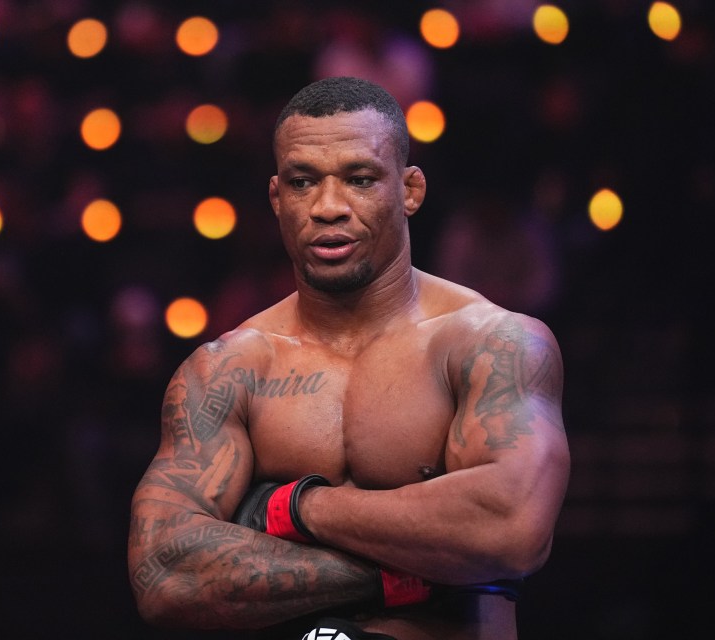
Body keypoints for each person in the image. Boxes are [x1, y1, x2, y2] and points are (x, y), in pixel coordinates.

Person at [127, 76, 570, 640]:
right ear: (276, 198)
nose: (328, 207)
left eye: (360, 180)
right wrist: (409, 577)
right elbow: (164, 571)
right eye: (303, 182)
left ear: (409, 190)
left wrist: (293, 509)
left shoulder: (491, 343)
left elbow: (511, 527)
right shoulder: (229, 368)